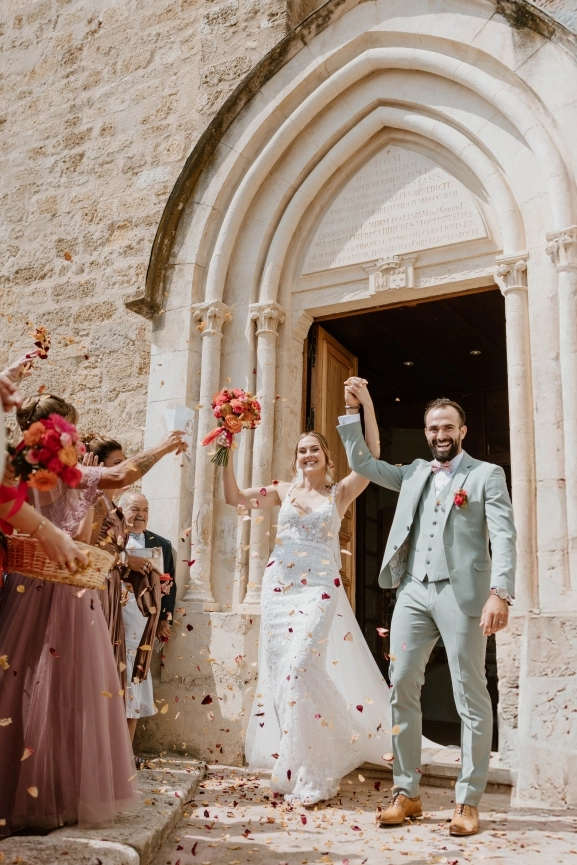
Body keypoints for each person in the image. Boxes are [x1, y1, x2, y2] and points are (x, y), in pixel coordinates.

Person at [221, 404, 436, 807]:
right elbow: (233, 497)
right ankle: (297, 762)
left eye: (314, 450)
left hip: (319, 587)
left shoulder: (341, 493)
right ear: (296, 458)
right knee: (285, 677)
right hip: (279, 588)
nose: (308, 455)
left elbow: (372, 453)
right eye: (302, 450)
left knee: (301, 666)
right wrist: (225, 449)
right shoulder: (281, 491)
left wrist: (365, 405)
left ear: (327, 457)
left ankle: (323, 761)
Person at [0, 394, 187, 836]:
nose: (77, 437)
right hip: (68, 590)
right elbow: (123, 474)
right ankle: (58, 794)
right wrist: (165, 445)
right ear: (55, 429)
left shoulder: (14, 469)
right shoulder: (70, 473)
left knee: (17, 686)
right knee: (67, 691)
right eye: (71, 428)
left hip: (23, 585)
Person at [338, 378, 516, 836]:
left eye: (448, 427)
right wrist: (356, 409)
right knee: (401, 686)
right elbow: (362, 462)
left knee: (470, 693)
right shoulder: (414, 472)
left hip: (463, 594)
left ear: (463, 431)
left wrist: (500, 592)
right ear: (426, 432)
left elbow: (504, 536)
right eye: (434, 427)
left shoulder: (486, 475)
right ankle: (407, 793)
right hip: (413, 591)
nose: (441, 434)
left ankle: (467, 801)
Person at [81, 436, 169, 698]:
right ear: (99, 466)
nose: (124, 470)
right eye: (117, 463)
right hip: (95, 591)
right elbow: (86, 549)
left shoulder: (111, 507)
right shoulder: (97, 503)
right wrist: (125, 560)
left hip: (110, 591)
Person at [117, 491, 176, 743]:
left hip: (143, 621)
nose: (141, 515)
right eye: (135, 509)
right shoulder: (112, 541)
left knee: (135, 677)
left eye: (145, 510)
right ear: (121, 511)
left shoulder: (161, 543)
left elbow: (168, 583)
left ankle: (126, 752)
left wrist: (164, 619)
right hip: (114, 617)